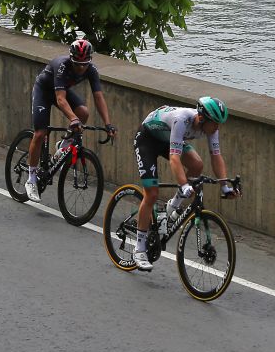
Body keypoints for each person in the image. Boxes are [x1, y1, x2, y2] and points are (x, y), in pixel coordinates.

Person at [130, 96, 236, 271]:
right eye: (215, 123)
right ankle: (139, 249)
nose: (217, 128)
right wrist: (184, 185)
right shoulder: (182, 119)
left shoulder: (210, 128)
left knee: (197, 165)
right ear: (202, 118)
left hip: (168, 139)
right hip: (147, 139)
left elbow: (216, 157)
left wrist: (225, 186)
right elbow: (174, 158)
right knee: (152, 194)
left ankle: (171, 208)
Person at [17, 39, 117, 202]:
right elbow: (61, 99)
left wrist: (108, 124)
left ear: (89, 60)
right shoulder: (62, 66)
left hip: (61, 92)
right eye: (77, 64)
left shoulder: (91, 70)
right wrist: (73, 119)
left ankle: (64, 144)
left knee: (83, 113)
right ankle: (31, 178)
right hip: (44, 91)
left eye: (84, 64)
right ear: (71, 59)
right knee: (40, 133)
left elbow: (98, 97)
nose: (81, 68)